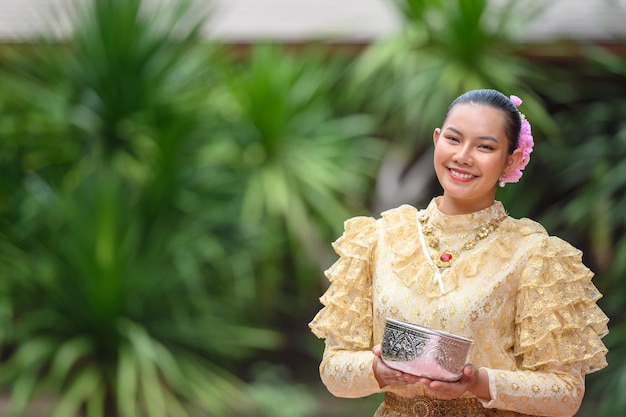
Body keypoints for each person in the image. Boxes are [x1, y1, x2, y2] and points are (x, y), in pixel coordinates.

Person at [309, 89, 609, 417]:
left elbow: (565, 394)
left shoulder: (534, 254)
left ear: (512, 159)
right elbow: (333, 371)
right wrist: (378, 370)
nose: (463, 156)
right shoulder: (379, 238)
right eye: (453, 139)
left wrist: (478, 382)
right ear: (437, 139)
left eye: (484, 146)